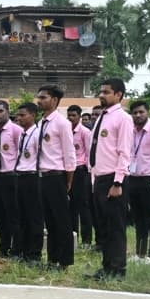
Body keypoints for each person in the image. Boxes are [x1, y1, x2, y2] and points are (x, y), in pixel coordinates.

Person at [90, 78, 135, 280]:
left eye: (107, 92)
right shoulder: (103, 117)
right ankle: (107, 266)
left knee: (115, 226)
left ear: (118, 95)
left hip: (113, 179)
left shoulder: (123, 118)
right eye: (101, 92)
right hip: (99, 178)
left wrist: (118, 182)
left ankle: (117, 269)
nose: (102, 95)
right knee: (104, 226)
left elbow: (125, 152)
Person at [34, 85, 77, 268]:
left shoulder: (62, 123)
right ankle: (52, 259)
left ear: (54, 100)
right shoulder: (41, 122)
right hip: (42, 176)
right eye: (39, 97)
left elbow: (69, 154)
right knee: (49, 221)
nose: (39, 101)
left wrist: (68, 180)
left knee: (62, 221)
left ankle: (64, 261)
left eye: (43, 97)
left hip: (57, 175)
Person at [127, 101, 150, 260]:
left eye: (141, 112)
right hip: (133, 178)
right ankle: (140, 252)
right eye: (135, 112)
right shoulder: (130, 131)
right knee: (138, 217)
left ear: (147, 112)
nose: (138, 115)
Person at [0, 100, 24, 258]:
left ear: (8, 111)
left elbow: (21, 154)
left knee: (14, 215)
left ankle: (16, 249)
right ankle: (4, 248)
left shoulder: (16, 130)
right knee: (0, 215)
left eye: (0, 111)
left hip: (12, 176)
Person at [15, 103, 45, 262]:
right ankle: (24, 252)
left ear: (33, 115)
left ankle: (34, 254)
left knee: (34, 217)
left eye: (22, 115)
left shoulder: (38, 133)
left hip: (33, 177)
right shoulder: (23, 134)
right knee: (22, 217)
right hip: (20, 176)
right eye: (18, 115)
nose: (19, 118)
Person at [68, 105, 94, 248]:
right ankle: (73, 237)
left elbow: (89, 152)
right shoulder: (66, 131)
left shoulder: (85, 132)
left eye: (74, 116)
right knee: (70, 206)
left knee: (83, 205)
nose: (71, 118)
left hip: (81, 170)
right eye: (69, 116)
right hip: (69, 171)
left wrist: (89, 172)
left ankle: (87, 240)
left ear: (79, 116)